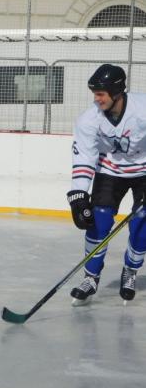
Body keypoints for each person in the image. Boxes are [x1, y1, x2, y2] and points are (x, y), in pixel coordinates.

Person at [67, 63, 146, 306]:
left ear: (117, 92)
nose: (97, 99)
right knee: (98, 219)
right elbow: (84, 157)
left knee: (143, 220)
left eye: (101, 94)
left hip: (144, 171)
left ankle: (130, 270)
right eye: (95, 94)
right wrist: (79, 194)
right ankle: (91, 277)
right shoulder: (89, 120)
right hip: (109, 171)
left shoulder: (142, 109)